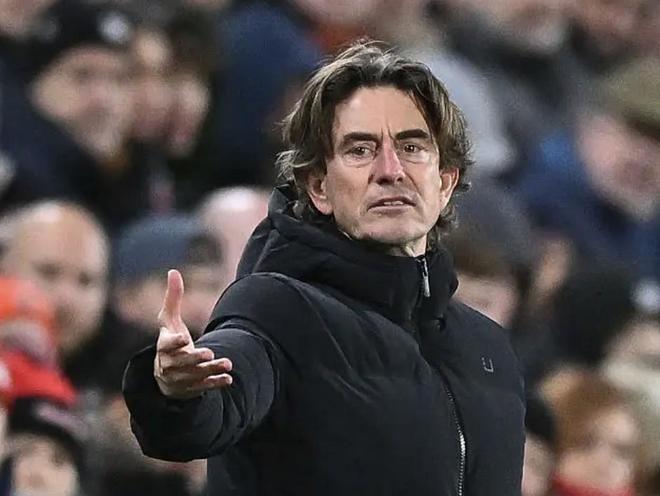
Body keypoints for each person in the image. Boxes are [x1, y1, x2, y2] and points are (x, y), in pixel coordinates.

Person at [123, 41, 525, 495]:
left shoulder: (487, 347)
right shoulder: (277, 308)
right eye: (360, 150)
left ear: (445, 182)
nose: (390, 170)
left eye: (412, 147)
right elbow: (220, 396)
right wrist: (180, 393)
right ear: (318, 187)